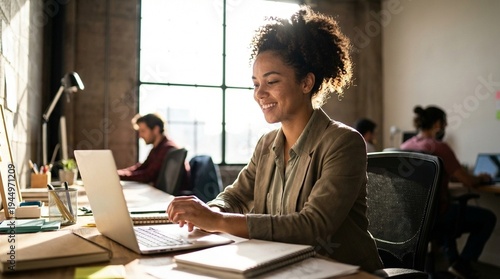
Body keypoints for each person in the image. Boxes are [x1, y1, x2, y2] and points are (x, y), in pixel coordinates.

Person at [167, 6, 383, 272]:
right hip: (285, 266)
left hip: (343, 272)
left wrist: (219, 221)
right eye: (256, 83)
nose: (260, 93)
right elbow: (235, 196)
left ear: (306, 83)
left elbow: (312, 227)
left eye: (271, 82)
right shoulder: (267, 144)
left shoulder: (343, 143)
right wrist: (205, 213)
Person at [400, 105, 496, 279]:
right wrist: (481, 178)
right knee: (488, 218)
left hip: (412, 217)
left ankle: (454, 264)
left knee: (447, 210)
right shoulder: (439, 147)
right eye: (444, 123)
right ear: (438, 124)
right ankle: (463, 264)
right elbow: (467, 180)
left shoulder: (405, 145)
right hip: (437, 216)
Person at [117, 113, 188, 188]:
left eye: (143, 131)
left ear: (156, 129)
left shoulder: (168, 148)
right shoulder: (157, 148)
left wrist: (117, 175)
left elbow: (148, 175)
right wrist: (118, 173)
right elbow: (142, 167)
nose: (140, 136)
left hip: (170, 197)